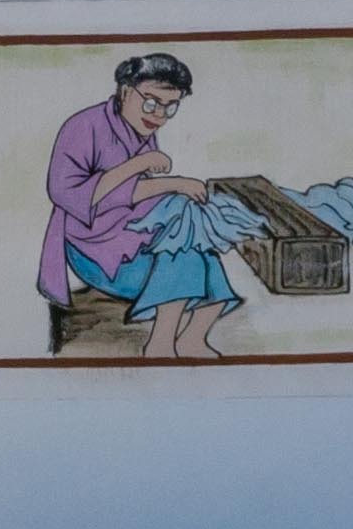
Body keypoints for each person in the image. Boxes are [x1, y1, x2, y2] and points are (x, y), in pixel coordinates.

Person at [38, 51, 250, 360]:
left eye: (170, 107)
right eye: (151, 102)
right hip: (93, 250)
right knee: (181, 254)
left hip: (130, 235)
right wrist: (164, 178)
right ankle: (160, 344)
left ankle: (192, 337)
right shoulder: (83, 127)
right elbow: (69, 194)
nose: (159, 115)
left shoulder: (139, 129)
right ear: (125, 91)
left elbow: (138, 198)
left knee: (200, 248)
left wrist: (179, 201)